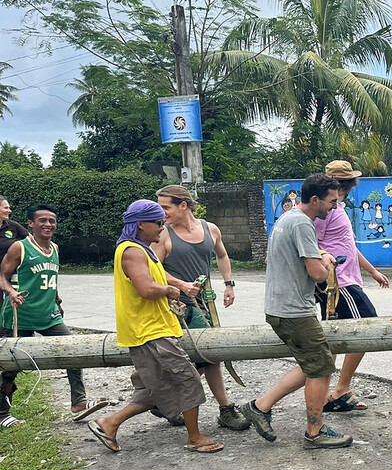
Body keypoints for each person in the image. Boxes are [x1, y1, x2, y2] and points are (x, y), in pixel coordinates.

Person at [86, 200, 222, 453]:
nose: (163, 227)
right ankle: (194, 437)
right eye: (158, 222)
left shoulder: (142, 250)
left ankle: (109, 423)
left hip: (156, 327)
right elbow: (146, 289)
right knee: (188, 380)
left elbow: (150, 288)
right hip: (149, 332)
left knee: (158, 386)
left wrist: (171, 303)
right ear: (140, 225)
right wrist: (173, 290)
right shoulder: (132, 251)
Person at [240, 173, 353, 449]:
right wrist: (326, 262)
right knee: (322, 366)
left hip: (281, 307)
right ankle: (315, 431)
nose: (334, 207)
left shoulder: (288, 217)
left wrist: (320, 254)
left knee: (314, 362)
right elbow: (316, 274)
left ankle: (260, 406)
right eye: (331, 201)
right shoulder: (303, 224)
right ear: (315, 199)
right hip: (294, 311)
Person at [0, 205, 109, 427]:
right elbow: (3, 276)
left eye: (52, 221)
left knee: (74, 350)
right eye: (43, 220)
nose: (48, 224)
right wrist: (11, 292)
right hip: (19, 315)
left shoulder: (56, 249)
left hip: (48, 315)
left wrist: (56, 299)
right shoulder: (19, 248)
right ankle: (3, 413)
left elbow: (49, 278)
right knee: (10, 367)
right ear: (31, 223)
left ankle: (78, 402)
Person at [153, 185, 249, 431]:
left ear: (183, 205)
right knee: (207, 355)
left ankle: (164, 401)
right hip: (178, 306)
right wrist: (181, 285)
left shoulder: (210, 229)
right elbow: (153, 270)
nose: (161, 212)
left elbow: (222, 255)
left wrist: (229, 284)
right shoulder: (163, 235)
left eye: (166, 207)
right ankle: (221, 408)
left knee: (207, 356)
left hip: (204, 304)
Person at [317, 159, 390, 413]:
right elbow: (310, 243)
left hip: (348, 279)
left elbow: (349, 246)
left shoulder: (338, 208)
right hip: (338, 283)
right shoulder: (324, 210)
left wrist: (372, 271)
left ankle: (327, 394)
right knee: (367, 327)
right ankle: (341, 389)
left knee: (336, 337)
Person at [0, 196, 28, 265]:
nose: (9, 211)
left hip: (10, 274)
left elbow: (32, 241)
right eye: (6, 208)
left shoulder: (13, 226)